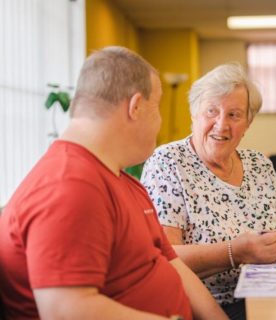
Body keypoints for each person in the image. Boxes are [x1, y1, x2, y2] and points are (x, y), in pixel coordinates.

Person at [0, 47, 228, 320]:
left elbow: (172, 263)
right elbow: (65, 311)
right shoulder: (69, 186)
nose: (159, 123)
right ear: (135, 107)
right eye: (156, 107)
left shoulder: (123, 182)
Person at [141, 62, 276, 320]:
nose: (221, 125)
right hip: (206, 308)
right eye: (212, 111)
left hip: (272, 298)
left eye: (234, 115)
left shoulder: (259, 165)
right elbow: (164, 257)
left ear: (248, 123)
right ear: (194, 114)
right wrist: (236, 252)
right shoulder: (168, 162)